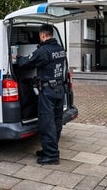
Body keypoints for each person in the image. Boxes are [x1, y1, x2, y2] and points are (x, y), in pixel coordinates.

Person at [17, 24, 66, 165]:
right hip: (59, 90)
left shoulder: (44, 51)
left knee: (46, 124)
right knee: (56, 123)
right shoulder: (59, 49)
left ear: (43, 35)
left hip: (48, 91)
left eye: (40, 36)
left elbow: (26, 63)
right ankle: (50, 150)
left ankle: (51, 156)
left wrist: (16, 57)